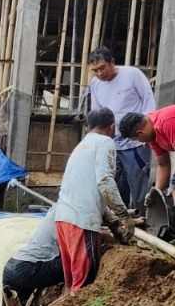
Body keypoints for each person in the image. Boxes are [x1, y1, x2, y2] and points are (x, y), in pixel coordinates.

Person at [56, 108, 134, 291]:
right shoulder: (105, 142)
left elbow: (87, 191)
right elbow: (105, 181)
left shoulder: (81, 146)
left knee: (72, 285)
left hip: (63, 219)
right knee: (84, 287)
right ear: (112, 126)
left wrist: (113, 222)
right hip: (82, 223)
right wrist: (124, 216)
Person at [86, 47, 157, 211]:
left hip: (135, 142)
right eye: (95, 70)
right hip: (111, 142)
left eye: (102, 68)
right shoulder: (95, 84)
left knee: (138, 181)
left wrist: (145, 133)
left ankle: (143, 219)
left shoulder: (132, 75)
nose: (99, 73)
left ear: (112, 62)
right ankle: (120, 219)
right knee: (114, 182)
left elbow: (148, 101)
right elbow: (97, 112)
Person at [3, 207, 64, 303]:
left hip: (11, 267)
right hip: (25, 268)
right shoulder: (67, 214)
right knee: (75, 264)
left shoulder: (55, 211)